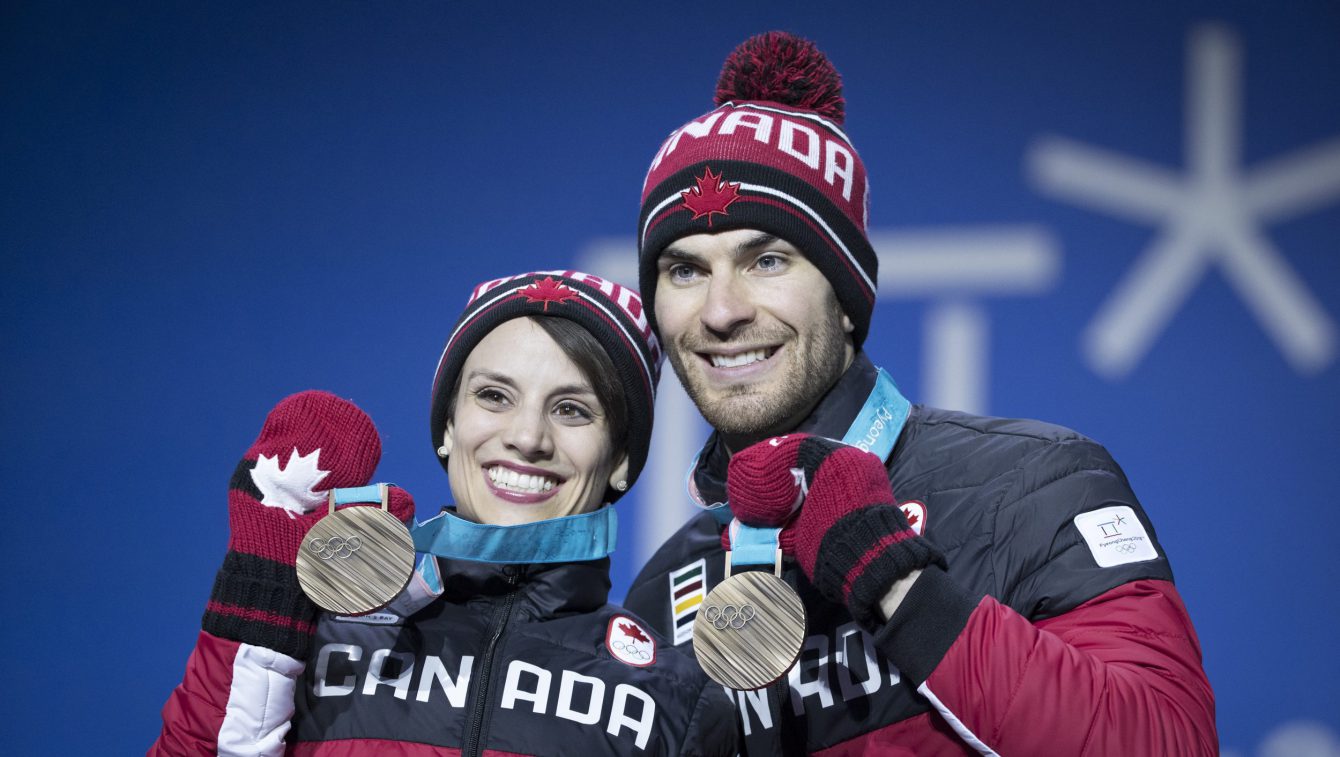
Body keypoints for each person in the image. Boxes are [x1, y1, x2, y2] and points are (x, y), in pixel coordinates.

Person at [623, 31, 1217, 755]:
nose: (721, 310)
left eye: (767, 259)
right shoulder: (664, 591)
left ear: (845, 298)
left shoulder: (1036, 484)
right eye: (685, 271)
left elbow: (1167, 742)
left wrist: (900, 586)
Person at [152, 271, 738, 755]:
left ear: (622, 459)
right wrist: (261, 601)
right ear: (449, 427)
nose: (528, 437)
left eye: (571, 409)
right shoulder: (316, 633)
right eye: (494, 397)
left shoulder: (674, 696)